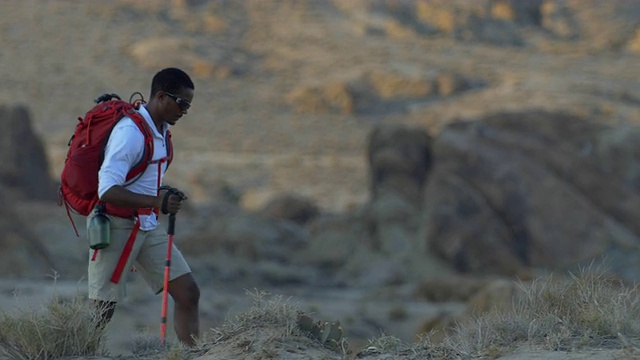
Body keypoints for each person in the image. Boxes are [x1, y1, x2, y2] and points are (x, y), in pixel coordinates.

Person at [89, 67, 200, 346]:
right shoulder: (130, 132)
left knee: (188, 293)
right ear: (161, 96)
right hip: (115, 225)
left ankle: (197, 354)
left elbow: (143, 180)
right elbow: (107, 190)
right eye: (182, 103)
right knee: (102, 308)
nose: (185, 111)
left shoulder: (161, 131)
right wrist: (157, 201)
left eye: (189, 105)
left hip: (147, 225)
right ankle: (77, 351)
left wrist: (161, 195)